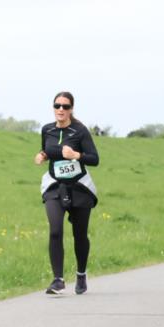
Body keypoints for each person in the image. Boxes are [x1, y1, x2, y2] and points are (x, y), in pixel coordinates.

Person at [34, 92, 99, 295]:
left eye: (65, 106)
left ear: (71, 109)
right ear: (53, 107)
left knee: (79, 235)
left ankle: (81, 274)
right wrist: (42, 155)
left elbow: (94, 159)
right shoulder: (47, 130)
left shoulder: (80, 131)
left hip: (79, 186)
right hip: (55, 185)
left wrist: (76, 155)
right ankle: (58, 280)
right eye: (57, 105)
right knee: (55, 230)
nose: (61, 109)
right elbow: (48, 150)